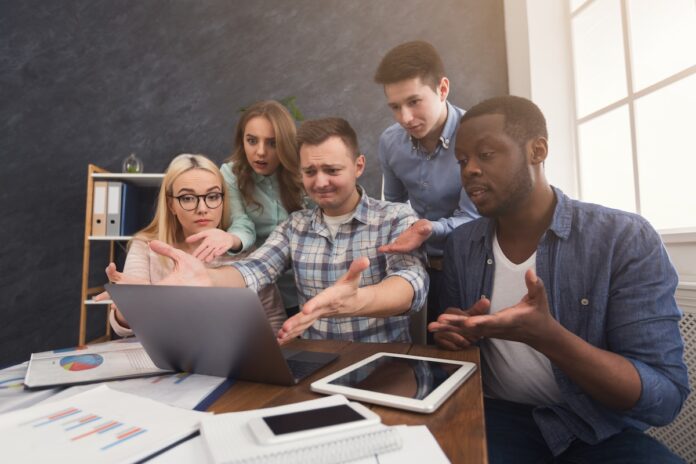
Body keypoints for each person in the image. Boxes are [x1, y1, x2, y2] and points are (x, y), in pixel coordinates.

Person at [428, 96, 690, 463]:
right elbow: (451, 360)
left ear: (537, 151)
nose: (469, 169)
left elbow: (664, 399)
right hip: (496, 418)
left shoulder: (624, 237)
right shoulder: (461, 244)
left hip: (596, 428)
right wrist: (454, 339)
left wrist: (549, 337)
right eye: (462, 160)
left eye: (485, 155)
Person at [108, 118, 429, 344]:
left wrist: (357, 301)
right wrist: (206, 278)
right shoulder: (294, 227)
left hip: (387, 363)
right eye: (310, 171)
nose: (320, 182)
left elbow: (412, 284)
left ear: (358, 166)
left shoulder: (397, 217)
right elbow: (254, 269)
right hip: (318, 368)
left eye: (332, 170)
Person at [103, 154, 286, 336]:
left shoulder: (242, 251)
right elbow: (123, 328)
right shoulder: (144, 246)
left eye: (213, 196)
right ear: (171, 205)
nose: (202, 208)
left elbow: (274, 319)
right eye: (188, 198)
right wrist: (127, 305)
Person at [373, 40, 478, 327]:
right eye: (395, 107)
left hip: (473, 266)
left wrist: (428, 229)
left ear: (443, 89)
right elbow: (392, 208)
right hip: (416, 270)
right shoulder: (389, 142)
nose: (405, 118)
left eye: (414, 102)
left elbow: (473, 216)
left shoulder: (477, 134)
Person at [185, 100, 305, 315]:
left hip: (303, 288)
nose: (260, 152)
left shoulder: (303, 174)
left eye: (272, 143)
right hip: (259, 288)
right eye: (252, 141)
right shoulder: (231, 174)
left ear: (286, 143)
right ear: (242, 140)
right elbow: (242, 223)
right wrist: (231, 239)